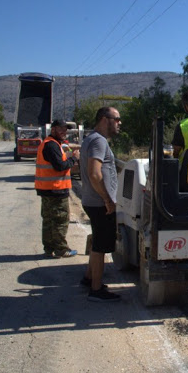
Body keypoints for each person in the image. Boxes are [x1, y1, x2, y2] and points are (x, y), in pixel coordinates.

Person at [80, 106, 122, 302]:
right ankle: (96, 290)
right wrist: (107, 199)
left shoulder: (90, 138)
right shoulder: (99, 141)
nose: (119, 123)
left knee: (97, 240)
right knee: (100, 246)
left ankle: (89, 278)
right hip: (99, 203)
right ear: (105, 119)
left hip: (92, 200)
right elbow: (95, 173)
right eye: (117, 119)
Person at [35, 119, 80, 258]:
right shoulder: (51, 145)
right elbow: (60, 166)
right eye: (61, 129)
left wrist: (66, 156)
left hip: (48, 189)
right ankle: (61, 249)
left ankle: (49, 248)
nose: (64, 132)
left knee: (49, 220)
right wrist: (74, 158)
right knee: (60, 220)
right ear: (53, 130)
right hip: (56, 190)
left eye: (65, 130)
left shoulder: (50, 144)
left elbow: (57, 162)